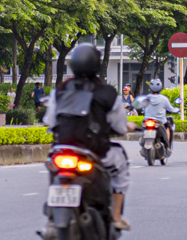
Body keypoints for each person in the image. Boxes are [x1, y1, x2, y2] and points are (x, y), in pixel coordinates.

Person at [43, 41, 132, 230]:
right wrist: (127, 127)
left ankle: (51, 218)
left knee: (52, 167)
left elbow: (50, 121)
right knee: (121, 166)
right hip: (95, 151)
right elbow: (119, 125)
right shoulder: (106, 92)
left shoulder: (60, 90)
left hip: (62, 149)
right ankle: (116, 216)